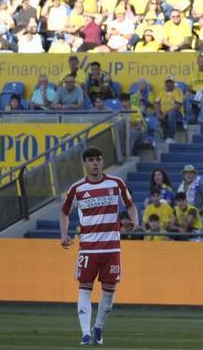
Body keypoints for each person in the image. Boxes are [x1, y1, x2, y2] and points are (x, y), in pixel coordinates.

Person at [60, 147, 138, 347]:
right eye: (91, 160)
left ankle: (98, 327)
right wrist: (64, 234)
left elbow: (130, 205)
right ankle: (86, 334)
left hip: (111, 249)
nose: (95, 163)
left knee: (109, 292)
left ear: (102, 162)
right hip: (88, 248)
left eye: (98, 159)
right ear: (85, 163)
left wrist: (135, 221)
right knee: (84, 289)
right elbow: (65, 212)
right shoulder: (77, 188)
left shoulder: (116, 183)